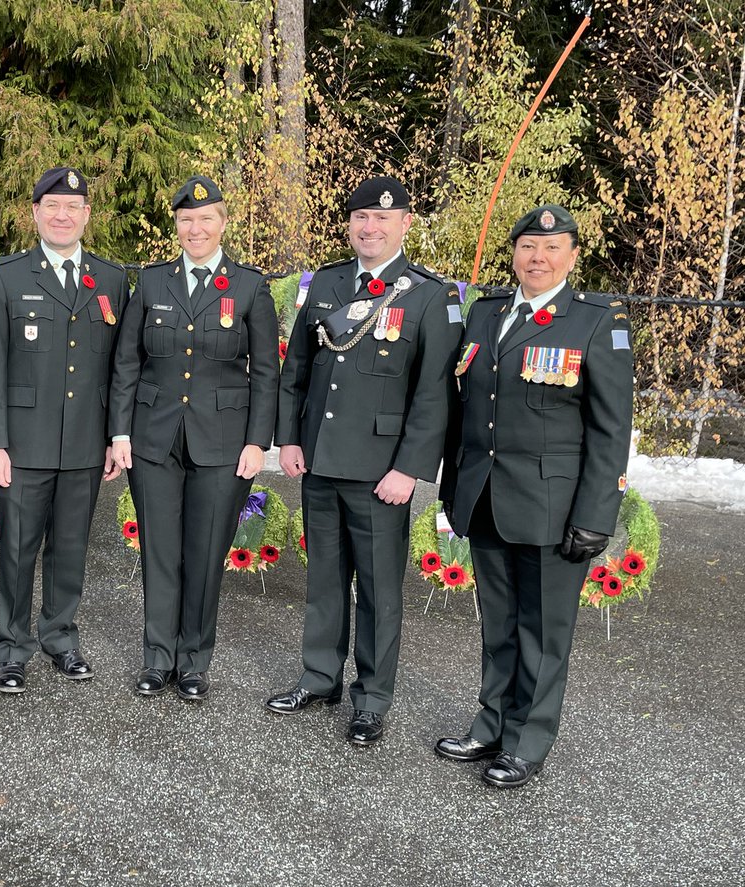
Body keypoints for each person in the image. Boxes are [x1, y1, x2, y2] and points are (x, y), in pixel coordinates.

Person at [436, 205, 634, 788]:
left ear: (573, 256)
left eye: (552, 248)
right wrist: (453, 487)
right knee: (497, 624)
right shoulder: (487, 313)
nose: (538, 259)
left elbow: (609, 430)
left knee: (544, 632)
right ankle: (491, 722)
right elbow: (465, 412)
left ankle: (528, 740)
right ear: (515, 253)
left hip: (554, 509)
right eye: (527, 247)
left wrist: (597, 515)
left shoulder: (597, 321)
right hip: (488, 497)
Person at [266, 176, 462, 745]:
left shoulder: (428, 295)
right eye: (360, 218)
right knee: (325, 580)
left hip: (382, 473)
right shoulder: (325, 284)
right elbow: (295, 372)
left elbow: (434, 395)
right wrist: (290, 439)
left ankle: (372, 697)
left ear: (405, 223)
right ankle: (320, 676)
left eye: (382, 218)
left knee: (378, 589)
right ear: (350, 224)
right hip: (321, 461)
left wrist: (409, 468)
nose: (369, 227)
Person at [109, 175, 279, 701]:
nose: (195, 228)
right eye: (186, 220)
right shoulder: (153, 283)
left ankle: (194, 662)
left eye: (206, 219)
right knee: (160, 550)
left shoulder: (249, 287)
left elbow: (267, 373)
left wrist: (258, 442)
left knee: (206, 554)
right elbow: (127, 362)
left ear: (224, 223)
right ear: (176, 226)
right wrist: (119, 431)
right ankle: (157, 658)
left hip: (223, 442)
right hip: (154, 437)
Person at [0, 167, 128, 693]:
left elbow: (119, 367)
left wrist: (114, 435)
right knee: (17, 549)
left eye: (73, 207)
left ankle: (61, 638)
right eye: (52, 206)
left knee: (71, 548)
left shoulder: (110, 279)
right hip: (23, 445)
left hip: (85, 442)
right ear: (35, 213)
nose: (63, 215)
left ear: (86, 214)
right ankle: (12, 648)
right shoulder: (8, 277)